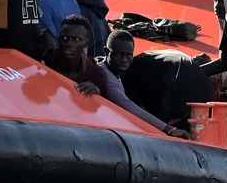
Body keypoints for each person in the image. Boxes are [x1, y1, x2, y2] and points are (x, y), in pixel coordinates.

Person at [48, 16, 185, 135]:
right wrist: (167, 129)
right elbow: (125, 105)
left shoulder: (95, 73)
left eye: (76, 39)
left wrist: (97, 94)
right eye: (65, 38)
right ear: (107, 52)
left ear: (86, 43)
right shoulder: (46, 61)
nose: (69, 44)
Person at [113, 30, 217, 129]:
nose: (123, 60)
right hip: (201, 84)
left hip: (180, 83)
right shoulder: (146, 58)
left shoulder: (134, 70)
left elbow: (131, 106)